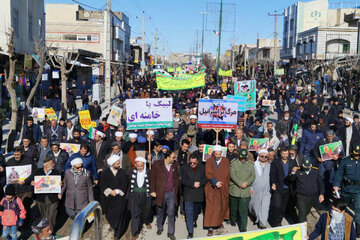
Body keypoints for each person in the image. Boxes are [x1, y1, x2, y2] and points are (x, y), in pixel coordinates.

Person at [150, 150, 179, 240]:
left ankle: (170, 232)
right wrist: (153, 190)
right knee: (160, 212)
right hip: (160, 193)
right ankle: (160, 227)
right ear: (167, 157)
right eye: (173, 157)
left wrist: (176, 188)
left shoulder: (174, 165)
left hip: (171, 193)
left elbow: (176, 177)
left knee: (171, 213)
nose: (175, 159)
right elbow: (153, 178)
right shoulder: (157, 164)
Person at [334, 142, 360, 237]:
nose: (357, 156)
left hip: (358, 189)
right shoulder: (345, 161)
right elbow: (339, 173)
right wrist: (336, 184)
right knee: (342, 207)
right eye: (355, 154)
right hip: (347, 189)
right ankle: (341, 225)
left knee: (358, 209)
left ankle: (358, 231)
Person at [100, 155, 129, 240]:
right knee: (109, 214)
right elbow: (102, 184)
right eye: (117, 163)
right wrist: (110, 191)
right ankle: (113, 225)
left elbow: (125, 184)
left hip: (119, 198)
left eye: (119, 163)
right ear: (112, 164)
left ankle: (117, 234)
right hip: (109, 199)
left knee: (119, 215)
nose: (119, 165)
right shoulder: (105, 173)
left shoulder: (122, 172)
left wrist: (117, 191)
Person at [287, 157, 324, 223]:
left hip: (312, 196)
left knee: (307, 211)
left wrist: (321, 194)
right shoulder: (298, 170)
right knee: (302, 213)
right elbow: (291, 180)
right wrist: (292, 172)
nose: (306, 168)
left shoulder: (315, 171)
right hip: (301, 196)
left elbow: (320, 183)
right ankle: (302, 229)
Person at [204, 145, 230, 236]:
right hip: (211, 187)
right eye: (216, 154)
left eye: (220, 154)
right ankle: (210, 227)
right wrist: (215, 182)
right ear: (213, 153)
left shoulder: (226, 161)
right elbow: (208, 173)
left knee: (220, 206)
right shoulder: (209, 161)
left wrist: (221, 183)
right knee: (211, 206)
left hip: (222, 186)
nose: (218, 156)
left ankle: (219, 223)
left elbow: (226, 173)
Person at [181, 153, 207, 239]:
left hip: (198, 194)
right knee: (188, 213)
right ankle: (190, 232)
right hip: (188, 194)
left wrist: (200, 183)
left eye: (194, 163)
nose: (192, 164)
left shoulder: (202, 168)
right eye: (191, 162)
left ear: (198, 161)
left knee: (195, 212)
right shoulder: (184, 168)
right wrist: (192, 184)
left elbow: (205, 178)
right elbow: (183, 180)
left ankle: (194, 220)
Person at [270, 146, 296, 227]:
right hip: (278, 188)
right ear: (280, 153)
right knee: (277, 206)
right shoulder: (276, 162)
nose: (285, 155)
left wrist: (293, 173)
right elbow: (272, 174)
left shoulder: (292, 162)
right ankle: (274, 222)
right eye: (283, 154)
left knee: (283, 207)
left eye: (286, 154)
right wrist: (273, 183)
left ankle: (278, 222)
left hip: (287, 189)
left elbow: (294, 177)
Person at [229, 149, 255, 232]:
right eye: (241, 158)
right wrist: (240, 183)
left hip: (245, 191)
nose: (243, 159)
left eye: (244, 158)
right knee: (233, 209)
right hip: (235, 190)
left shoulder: (250, 164)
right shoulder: (234, 164)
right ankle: (233, 219)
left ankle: (243, 228)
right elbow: (232, 175)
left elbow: (253, 176)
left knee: (243, 211)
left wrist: (246, 183)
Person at [32, 158, 60, 230]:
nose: (54, 164)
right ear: (47, 165)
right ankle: (44, 231)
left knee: (51, 216)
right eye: (52, 163)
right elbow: (31, 181)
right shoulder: (38, 172)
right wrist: (32, 183)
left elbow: (59, 183)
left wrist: (61, 183)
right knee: (43, 217)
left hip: (53, 198)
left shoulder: (56, 172)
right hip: (41, 198)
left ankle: (50, 232)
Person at [129, 157, 152, 240]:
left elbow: (152, 183)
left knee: (146, 210)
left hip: (145, 195)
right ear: (135, 165)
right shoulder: (131, 172)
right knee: (135, 213)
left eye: (141, 166)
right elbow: (129, 184)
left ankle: (146, 221)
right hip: (135, 195)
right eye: (138, 166)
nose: (139, 168)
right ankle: (134, 232)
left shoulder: (149, 172)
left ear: (144, 165)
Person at [249, 149, 271, 229]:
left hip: (266, 190)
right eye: (262, 156)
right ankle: (254, 215)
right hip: (255, 189)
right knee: (254, 206)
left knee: (265, 207)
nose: (264, 158)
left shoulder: (269, 166)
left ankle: (262, 223)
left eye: (266, 156)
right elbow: (249, 177)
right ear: (259, 156)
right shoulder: (254, 165)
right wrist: (250, 188)